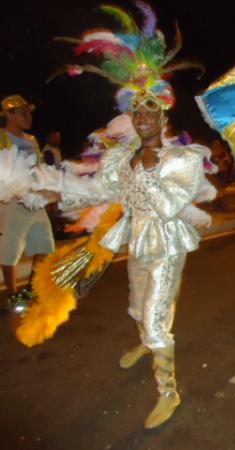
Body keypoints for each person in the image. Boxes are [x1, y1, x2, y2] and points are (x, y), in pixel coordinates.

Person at [31, 2, 213, 429]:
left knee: (155, 317)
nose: (144, 118)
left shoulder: (183, 159)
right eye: (138, 111)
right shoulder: (121, 159)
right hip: (137, 238)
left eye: (152, 111)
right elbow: (106, 190)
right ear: (130, 115)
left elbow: (167, 205)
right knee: (135, 303)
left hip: (168, 245)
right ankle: (146, 342)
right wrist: (56, 192)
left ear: (163, 115)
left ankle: (169, 390)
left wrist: (137, 166)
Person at [0, 95, 55, 309]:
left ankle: (31, 289)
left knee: (45, 246)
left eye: (29, 113)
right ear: (9, 115)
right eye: (23, 113)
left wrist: (48, 192)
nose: (28, 117)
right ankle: (13, 294)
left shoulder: (32, 140)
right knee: (10, 251)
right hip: (12, 203)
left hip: (35, 202)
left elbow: (40, 168)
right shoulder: (2, 138)